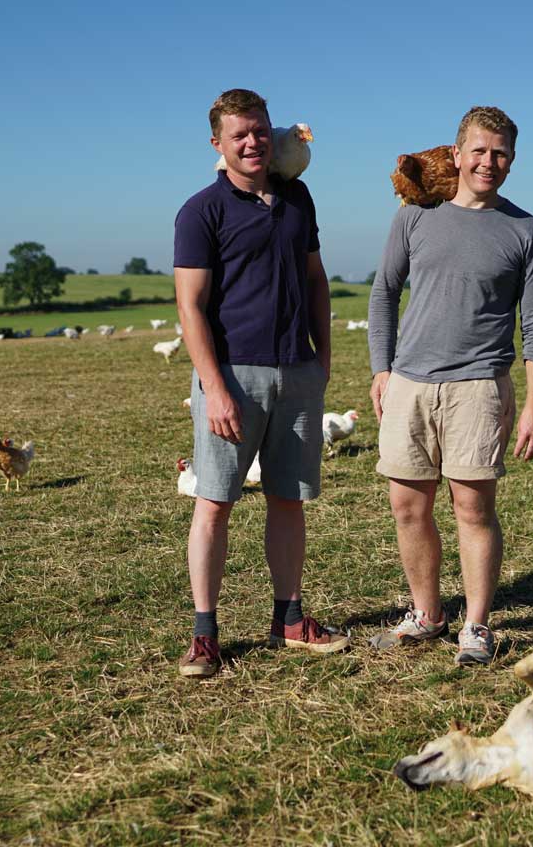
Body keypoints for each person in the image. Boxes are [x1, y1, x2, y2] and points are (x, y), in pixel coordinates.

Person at [365, 106, 533, 665]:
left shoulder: (526, 230)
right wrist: (382, 369)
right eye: (478, 150)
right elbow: (384, 293)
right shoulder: (413, 219)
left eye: (499, 153)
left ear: (512, 161)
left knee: (472, 508)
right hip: (409, 384)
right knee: (407, 506)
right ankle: (426, 614)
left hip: (479, 387)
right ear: (456, 154)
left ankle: (475, 626)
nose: (487, 162)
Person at [172, 88, 348, 678]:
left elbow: (317, 280)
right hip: (233, 377)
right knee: (215, 504)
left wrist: (322, 359)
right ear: (218, 144)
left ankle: (290, 618)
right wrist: (214, 386)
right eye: (239, 134)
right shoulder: (201, 211)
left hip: (296, 372)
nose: (252, 142)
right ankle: (205, 635)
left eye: (260, 130)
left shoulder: (298, 199)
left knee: (288, 500)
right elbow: (190, 306)